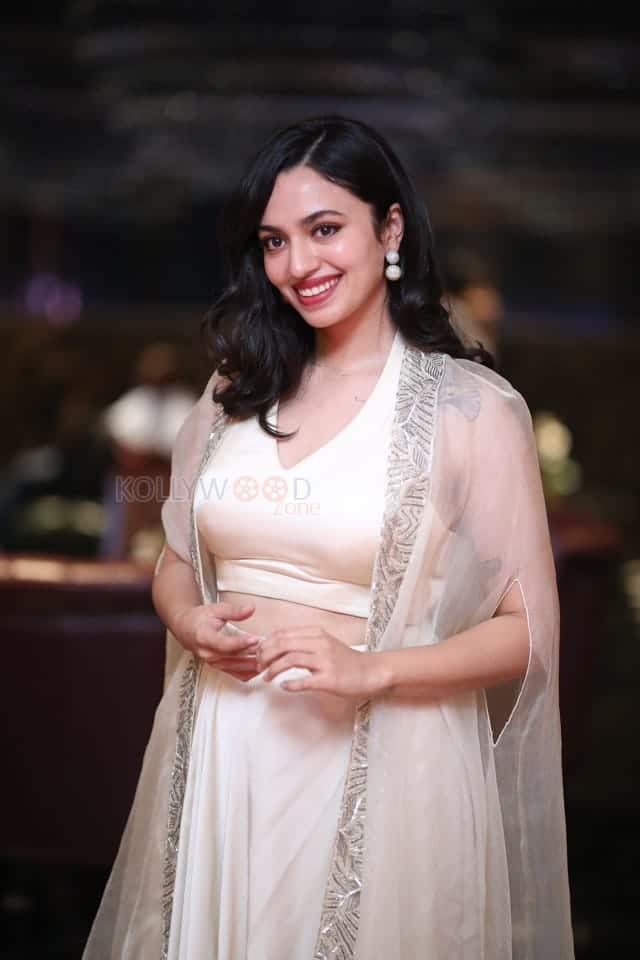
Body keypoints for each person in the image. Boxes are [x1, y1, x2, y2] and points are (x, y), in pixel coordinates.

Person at [82, 115, 575, 959]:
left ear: (390, 228)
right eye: (275, 241)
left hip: (386, 762)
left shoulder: (469, 410)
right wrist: (186, 618)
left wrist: (371, 668)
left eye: (324, 229)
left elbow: (529, 634)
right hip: (225, 751)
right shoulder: (236, 389)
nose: (298, 264)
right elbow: (176, 561)